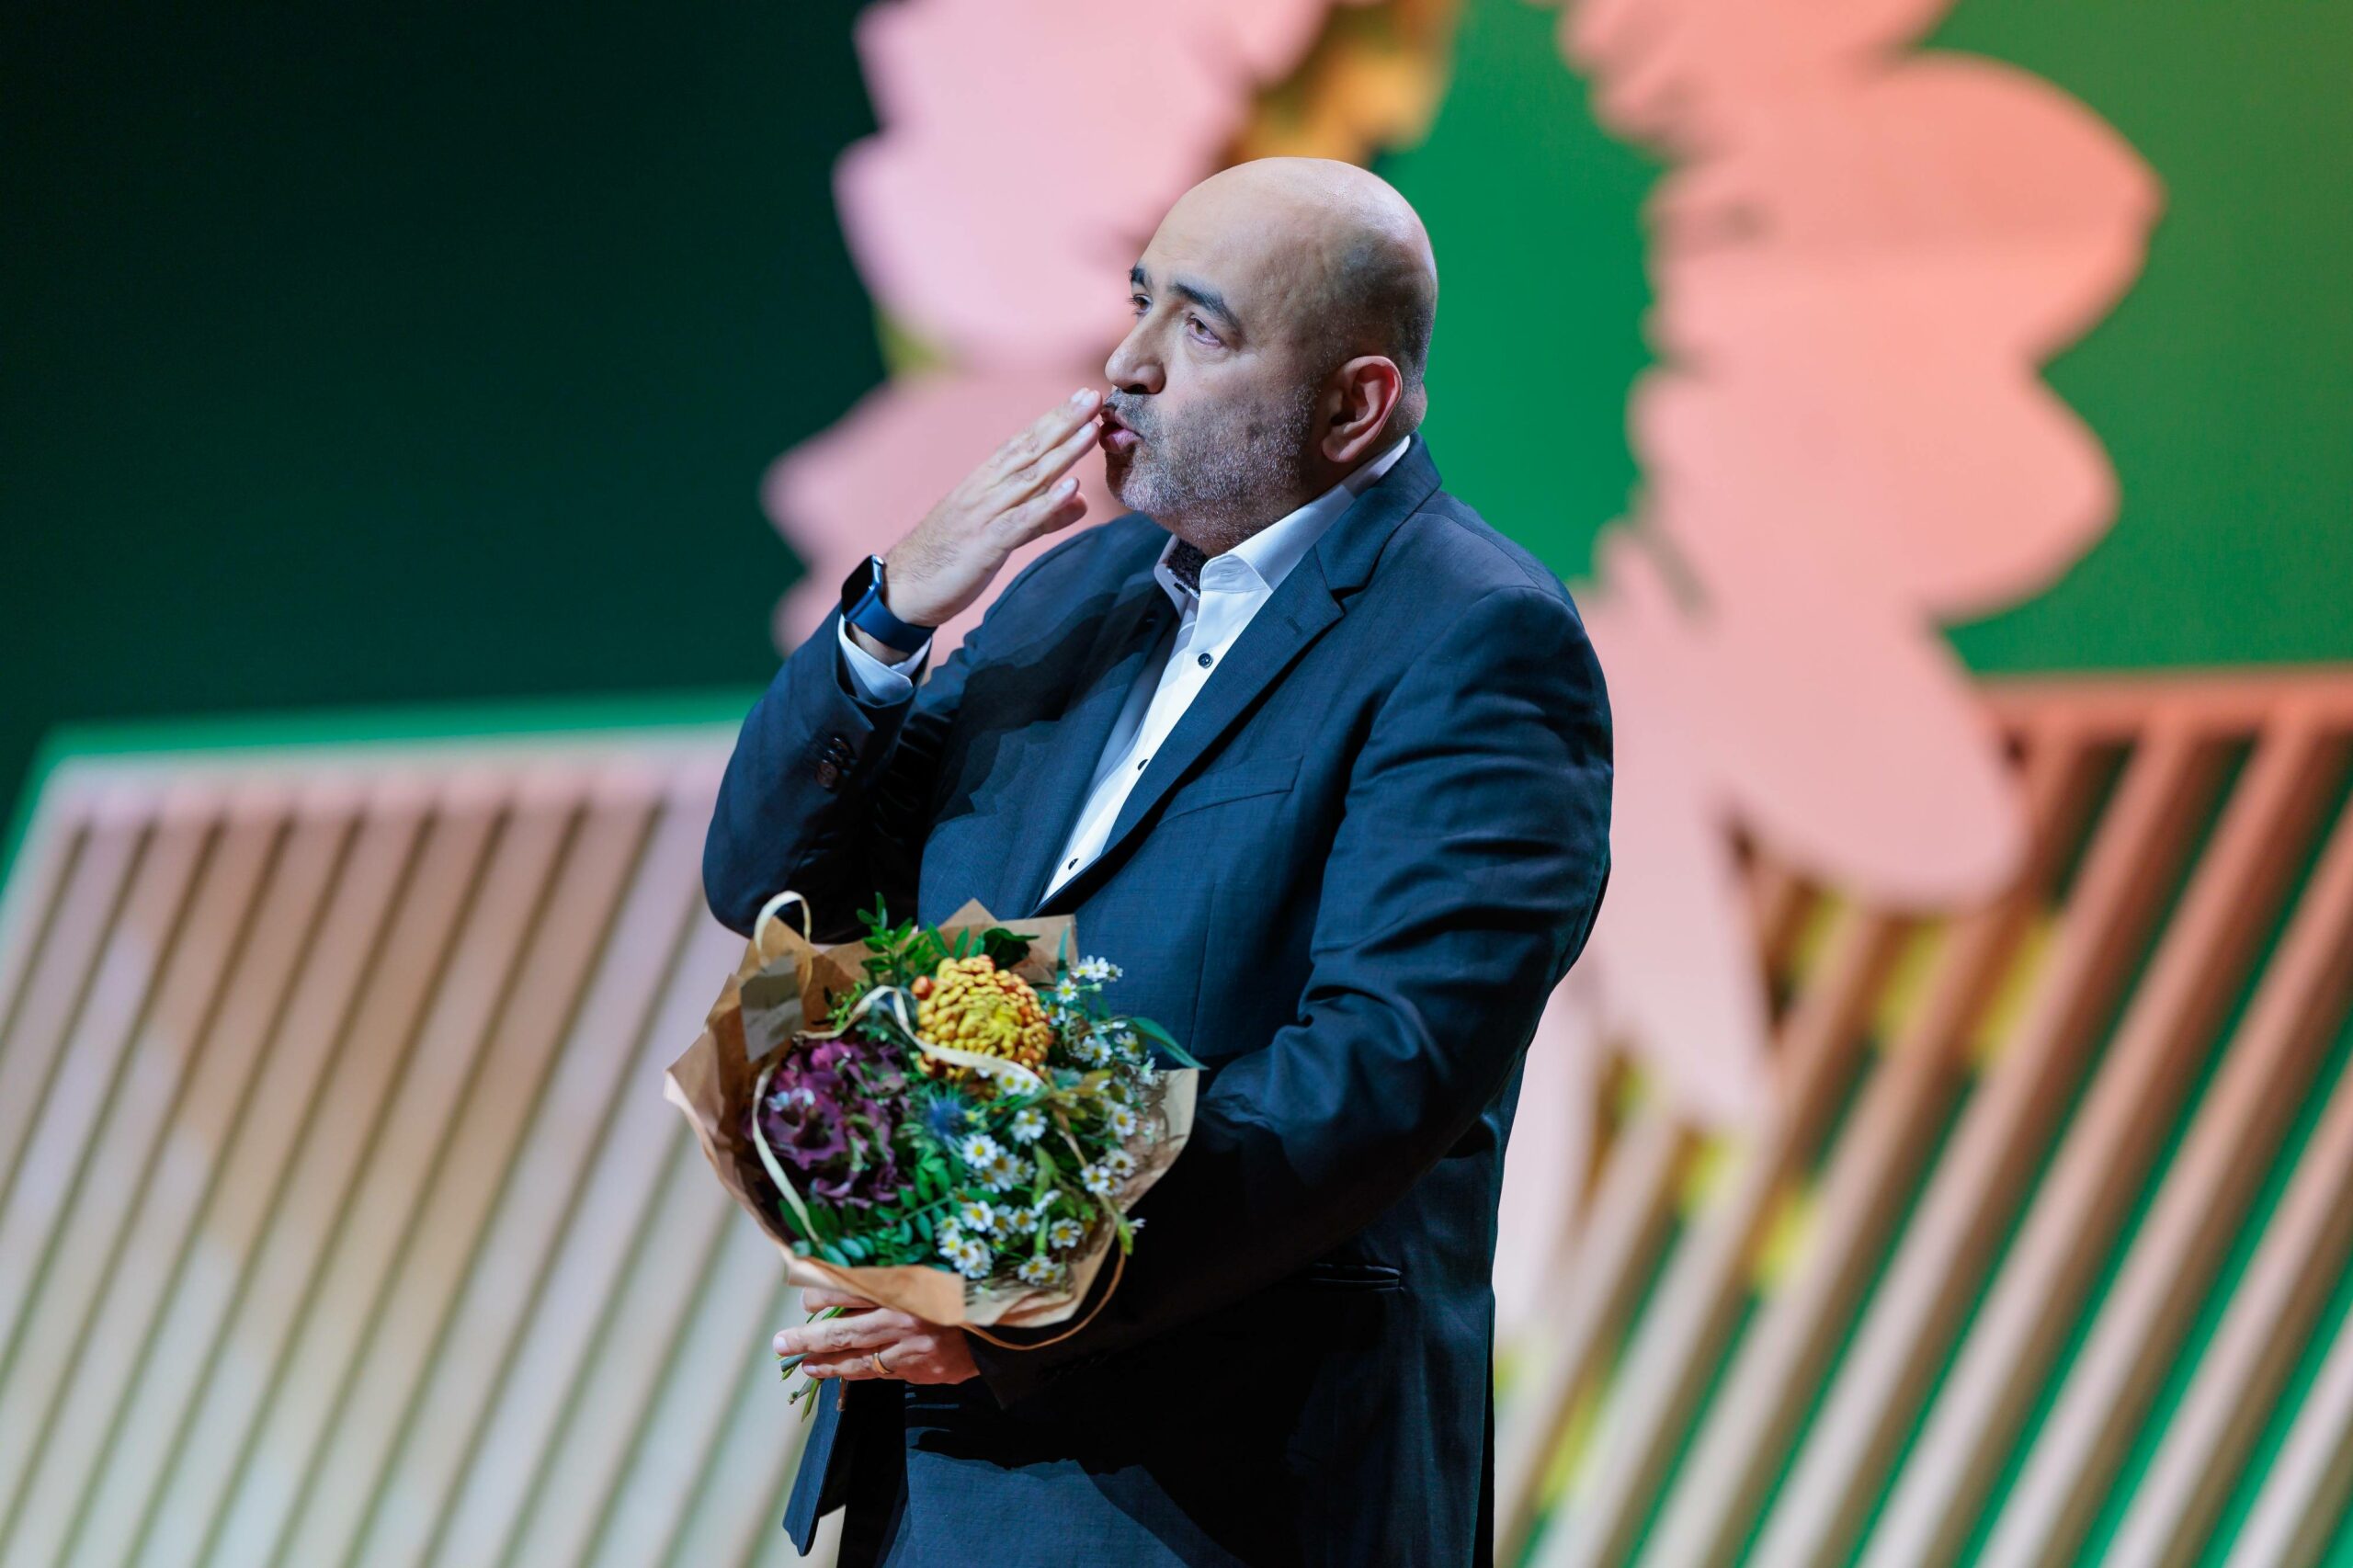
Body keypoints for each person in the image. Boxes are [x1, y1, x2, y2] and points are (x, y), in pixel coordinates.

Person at [705, 156, 1611, 1567]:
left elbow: (1378, 1070)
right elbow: (770, 886)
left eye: (1199, 328)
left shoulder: (1474, 639)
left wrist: (1027, 1276)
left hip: (1237, 1491)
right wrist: (888, 621)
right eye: (1137, 304)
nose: (1123, 367)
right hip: (944, 1492)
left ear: (1355, 402)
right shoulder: (1069, 593)